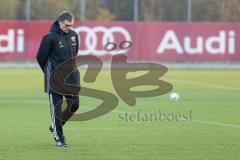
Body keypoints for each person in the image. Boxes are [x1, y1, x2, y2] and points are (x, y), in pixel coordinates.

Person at [36, 11, 80, 147]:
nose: (69, 28)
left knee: (75, 104)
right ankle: (60, 138)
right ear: (60, 22)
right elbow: (40, 57)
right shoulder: (50, 37)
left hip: (71, 77)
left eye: (71, 25)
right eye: (67, 25)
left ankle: (55, 125)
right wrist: (49, 72)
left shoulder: (74, 35)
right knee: (57, 108)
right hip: (55, 79)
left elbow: (74, 54)